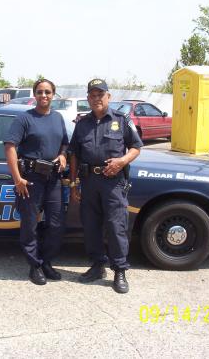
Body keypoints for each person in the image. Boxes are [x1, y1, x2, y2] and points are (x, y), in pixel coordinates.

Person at [68, 78, 143, 293]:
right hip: (89, 182)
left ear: (108, 97)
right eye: (92, 95)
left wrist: (122, 161)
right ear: (88, 98)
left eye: (100, 94)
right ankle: (97, 265)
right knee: (90, 226)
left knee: (115, 226)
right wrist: (74, 185)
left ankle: (119, 270)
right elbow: (73, 154)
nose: (96, 98)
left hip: (113, 183)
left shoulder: (121, 119)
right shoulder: (82, 124)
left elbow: (136, 147)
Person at [4, 79, 69, 285]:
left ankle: (46, 261)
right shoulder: (24, 118)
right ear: (35, 95)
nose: (44, 95)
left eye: (48, 92)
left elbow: (65, 144)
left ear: (53, 95)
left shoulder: (58, 118)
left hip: (53, 179)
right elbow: (10, 147)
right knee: (30, 225)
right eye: (40, 92)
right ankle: (34, 265)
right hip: (30, 180)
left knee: (56, 224)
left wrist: (63, 155)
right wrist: (17, 179)